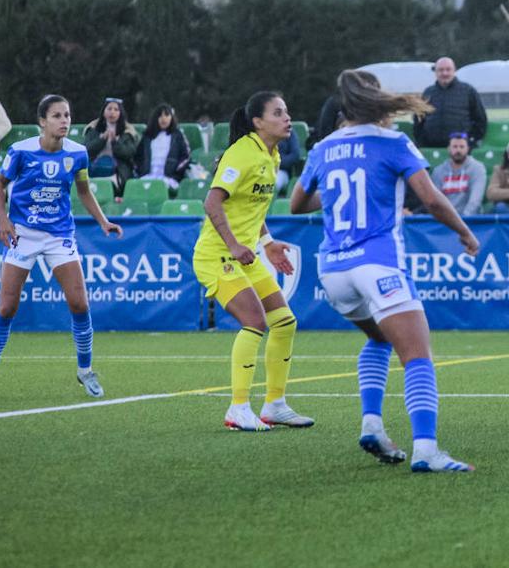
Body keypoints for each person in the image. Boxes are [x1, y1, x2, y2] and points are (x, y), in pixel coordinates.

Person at [291, 69, 481, 472]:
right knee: (417, 356)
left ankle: (372, 424)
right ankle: (427, 452)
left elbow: (296, 204)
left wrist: (344, 194)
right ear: (376, 101)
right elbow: (430, 200)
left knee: (379, 339)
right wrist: (464, 232)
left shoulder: (324, 147)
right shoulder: (394, 142)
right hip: (377, 263)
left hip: (333, 270)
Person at [0, 95, 123, 399]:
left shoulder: (77, 153)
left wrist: (103, 222)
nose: (65, 121)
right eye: (57, 116)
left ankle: (85, 371)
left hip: (59, 234)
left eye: (67, 115)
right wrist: (2, 219)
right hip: (23, 232)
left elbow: (84, 191)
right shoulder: (20, 151)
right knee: (7, 306)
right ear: (42, 121)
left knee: (79, 303)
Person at [191, 91, 312, 432]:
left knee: (285, 322)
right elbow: (212, 204)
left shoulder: (271, 156)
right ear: (258, 122)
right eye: (278, 113)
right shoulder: (241, 154)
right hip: (217, 255)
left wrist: (268, 244)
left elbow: (250, 209)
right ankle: (238, 409)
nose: (287, 118)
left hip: (245, 255)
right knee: (255, 322)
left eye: (286, 111)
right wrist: (233, 243)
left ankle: (274, 405)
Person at [413, 57, 488, 147]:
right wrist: (421, 140)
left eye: (448, 69)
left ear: (454, 70)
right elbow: (418, 120)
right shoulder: (428, 92)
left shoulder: (468, 91)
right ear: (435, 72)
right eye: (441, 70)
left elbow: (480, 119)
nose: (445, 73)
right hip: (431, 147)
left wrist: (471, 141)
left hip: (459, 151)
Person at [84, 97, 140, 196]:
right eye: (109, 109)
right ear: (104, 112)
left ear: (120, 113)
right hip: (94, 168)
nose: (112, 112)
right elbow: (86, 150)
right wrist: (102, 140)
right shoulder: (93, 129)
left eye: (116, 110)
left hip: (118, 171)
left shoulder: (128, 132)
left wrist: (115, 142)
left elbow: (129, 153)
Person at [134, 103, 191, 193]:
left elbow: (186, 156)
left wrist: (175, 170)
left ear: (171, 117)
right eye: (160, 116)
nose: (163, 118)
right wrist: (142, 170)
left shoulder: (177, 135)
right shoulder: (147, 136)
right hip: (147, 176)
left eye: (166, 115)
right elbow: (138, 157)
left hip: (169, 178)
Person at [428, 133, 486, 216]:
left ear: (468, 149)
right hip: (445, 220)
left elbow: (475, 200)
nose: (458, 150)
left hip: (470, 219)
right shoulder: (438, 171)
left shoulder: (477, 168)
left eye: (462, 147)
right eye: (455, 147)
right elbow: (436, 200)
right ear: (449, 149)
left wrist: (464, 219)